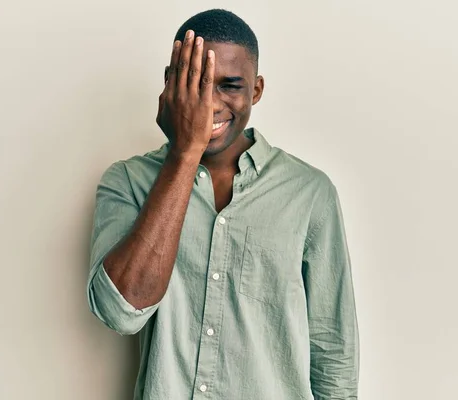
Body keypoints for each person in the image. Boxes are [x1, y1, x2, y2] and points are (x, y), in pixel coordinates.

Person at [87, 8, 359, 400]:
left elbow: (333, 353)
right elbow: (119, 312)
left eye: (229, 86)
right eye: (196, 83)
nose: (210, 104)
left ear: (257, 90)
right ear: (170, 83)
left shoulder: (309, 193)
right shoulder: (127, 182)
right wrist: (184, 152)